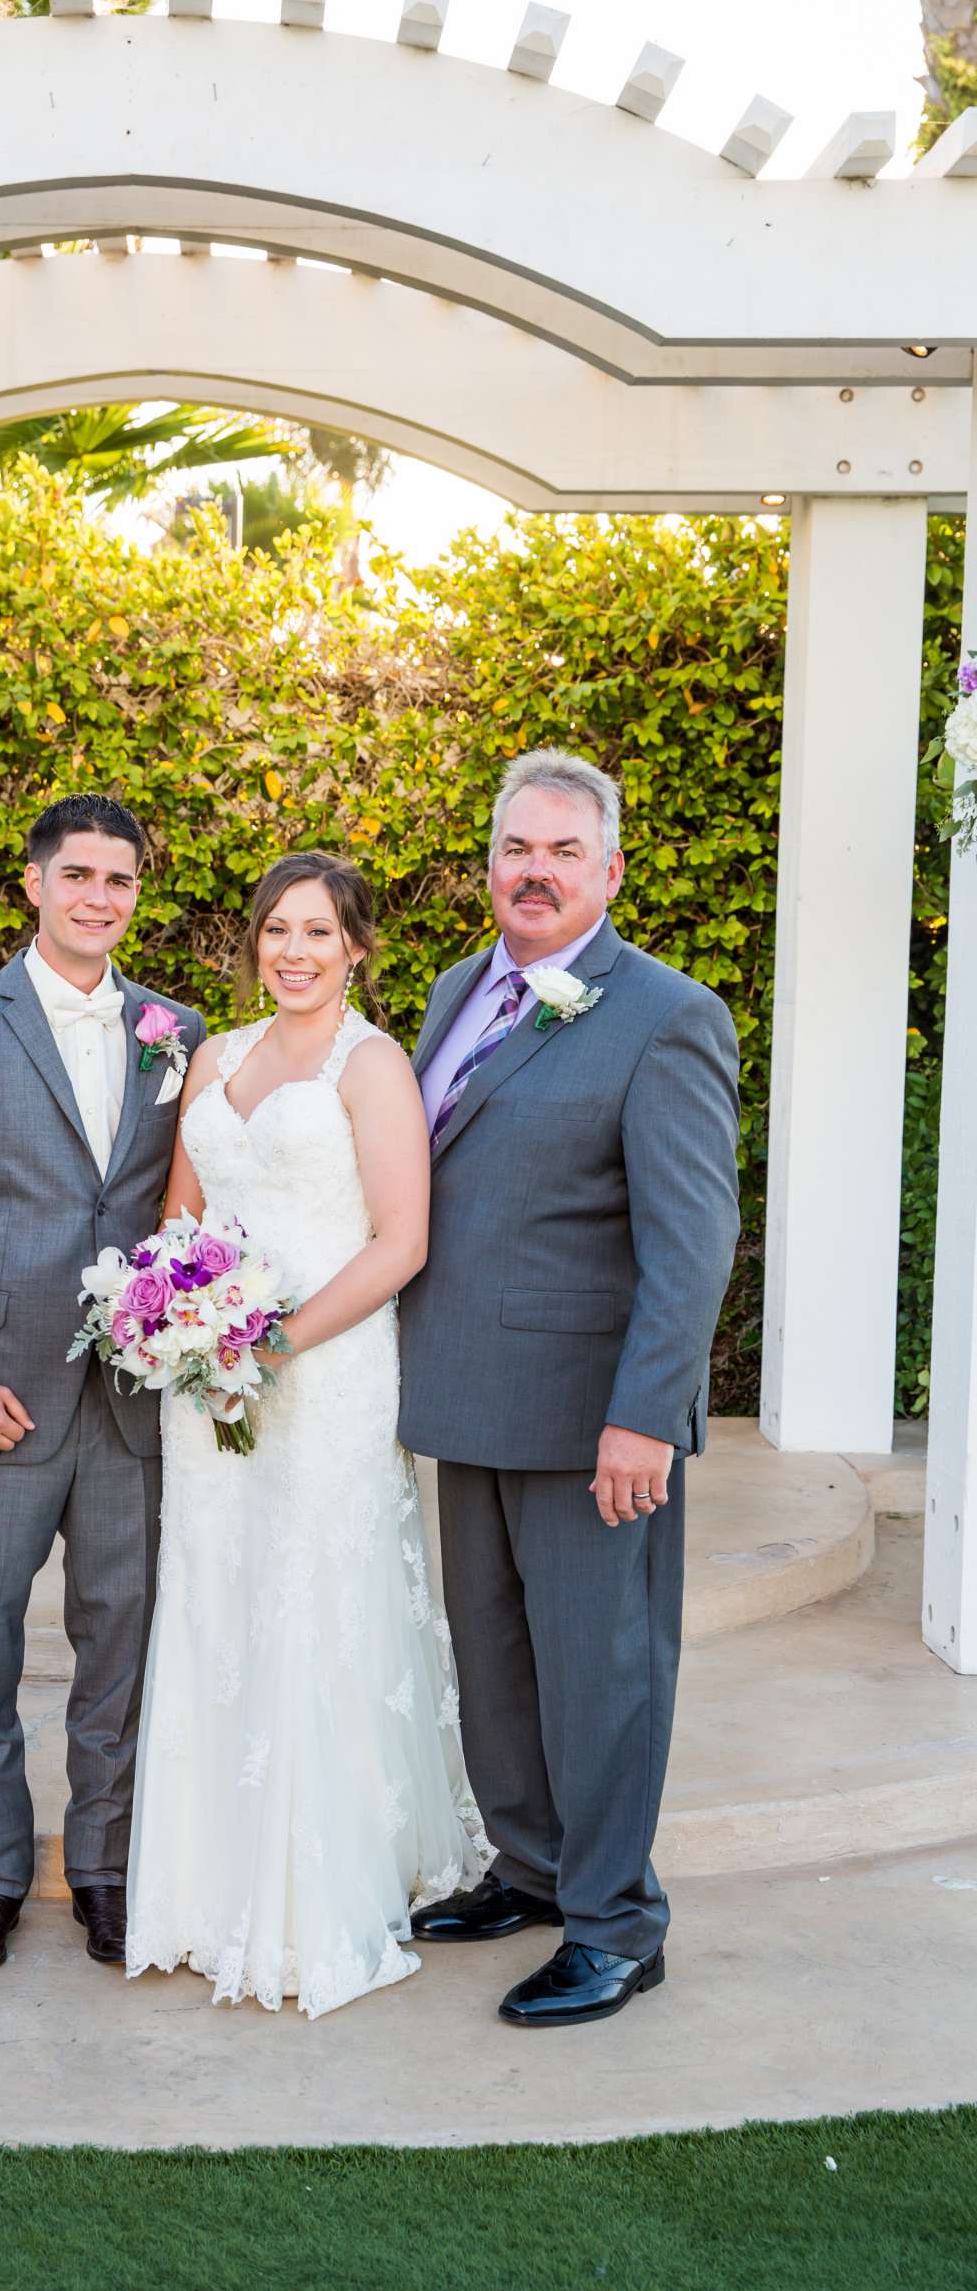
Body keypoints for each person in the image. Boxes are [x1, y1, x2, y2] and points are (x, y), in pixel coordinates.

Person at [400, 749, 740, 2027]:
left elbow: (693, 1237)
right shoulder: (454, 993)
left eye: (560, 853)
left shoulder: (665, 1013)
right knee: (493, 1664)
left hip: (594, 1415)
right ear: (489, 866)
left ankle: (614, 1924)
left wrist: (647, 1413)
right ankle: (531, 1871)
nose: (532, 873)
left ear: (607, 870)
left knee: (603, 1674)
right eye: (513, 851)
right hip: (465, 1397)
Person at [124, 852, 489, 2019]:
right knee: (216, 1599)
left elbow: (399, 1243)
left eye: (316, 933)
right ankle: (203, 1892)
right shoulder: (215, 1057)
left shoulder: (370, 1065)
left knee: (306, 1604)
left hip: (323, 1377)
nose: (292, 950)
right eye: (275, 929)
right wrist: (179, 1319)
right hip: (210, 1383)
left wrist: (269, 1343)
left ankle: (309, 1899)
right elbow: (181, 1214)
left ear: (355, 948)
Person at [0, 795, 205, 1978]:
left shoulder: (182, 1030)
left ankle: (107, 1873)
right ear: (32, 882)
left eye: (120, 880)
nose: (98, 898)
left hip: (132, 1402)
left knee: (120, 1650)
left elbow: (193, 1199)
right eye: (77, 874)